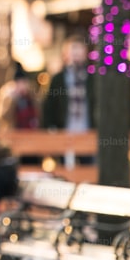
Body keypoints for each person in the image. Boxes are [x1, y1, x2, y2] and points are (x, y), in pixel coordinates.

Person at [42, 35, 97, 168]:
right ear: (66, 53)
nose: (76, 53)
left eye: (80, 49)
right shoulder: (58, 79)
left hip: (87, 132)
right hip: (65, 133)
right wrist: (51, 127)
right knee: (67, 169)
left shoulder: (92, 79)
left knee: (88, 169)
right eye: (73, 49)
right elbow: (49, 105)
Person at [0, 61, 40, 132]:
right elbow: (0, 117)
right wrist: (12, 99)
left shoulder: (30, 94)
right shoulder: (5, 94)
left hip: (30, 133)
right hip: (11, 133)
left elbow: (38, 112)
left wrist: (30, 95)